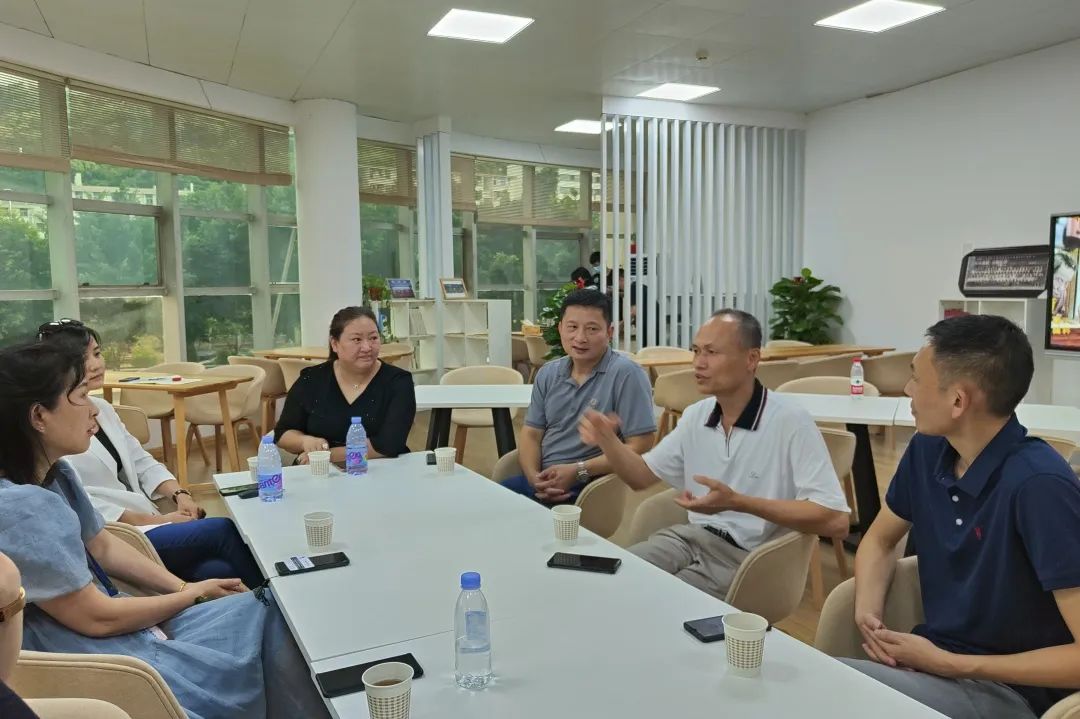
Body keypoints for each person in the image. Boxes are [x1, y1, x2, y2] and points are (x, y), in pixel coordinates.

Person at [0, 342, 330, 719]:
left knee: (265, 605)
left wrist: (185, 587)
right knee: (267, 612)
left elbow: (103, 546)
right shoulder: (22, 507)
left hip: (115, 630)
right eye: (81, 396)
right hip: (98, 660)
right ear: (39, 416)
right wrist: (190, 596)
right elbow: (97, 617)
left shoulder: (55, 474)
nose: (94, 410)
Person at [839, 315, 1080, 719]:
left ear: (958, 401)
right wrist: (869, 611)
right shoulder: (928, 449)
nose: (908, 390)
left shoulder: (1039, 487)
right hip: (935, 666)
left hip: (1011, 693)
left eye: (916, 378)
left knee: (831, 689)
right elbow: (880, 540)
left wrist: (954, 665)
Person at [580, 309, 850, 599]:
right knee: (608, 582)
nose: (698, 363)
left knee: (654, 603)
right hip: (688, 538)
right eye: (696, 351)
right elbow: (640, 477)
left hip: (748, 559)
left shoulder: (790, 420)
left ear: (751, 359)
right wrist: (608, 440)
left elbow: (836, 521)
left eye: (711, 352)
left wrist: (739, 503)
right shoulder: (697, 415)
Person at [37, 320, 263, 589]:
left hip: (147, 523)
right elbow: (87, 505)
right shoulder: (55, 431)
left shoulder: (102, 408)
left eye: (97, 353)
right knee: (221, 530)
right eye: (83, 359)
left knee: (219, 569)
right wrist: (161, 521)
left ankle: (262, 602)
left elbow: (141, 460)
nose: (96, 364)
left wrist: (180, 495)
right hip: (120, 536)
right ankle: (277, 600)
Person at [500, 289, 656, 505]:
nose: (580, 338)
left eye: (592, 329)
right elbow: (531, 434)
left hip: (589, 486)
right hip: (542, 479)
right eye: (572, 327)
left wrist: (578, 471)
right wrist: (534, 478)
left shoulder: (627, 374)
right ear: (560, 329)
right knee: (487, 505)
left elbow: (641, 445)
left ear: (609, 332)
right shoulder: (548, 373)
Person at [276, 306, 416, 463]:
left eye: (373, 338)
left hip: (380, 468)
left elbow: (389, 444)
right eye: (357, 340)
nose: (367, 347)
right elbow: (282, 433)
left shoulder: (398, 381)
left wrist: (327, 455)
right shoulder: (311, 379)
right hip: (318, 471)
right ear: (334, 344)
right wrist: (304, 441)